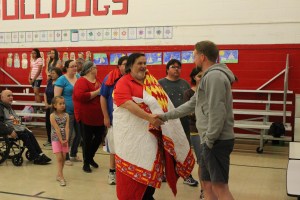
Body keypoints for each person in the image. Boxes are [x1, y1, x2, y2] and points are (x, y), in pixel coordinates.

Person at [159, 40, 236, 200]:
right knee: (207, 184)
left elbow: (217, 111)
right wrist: (164, 117)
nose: (193, 59)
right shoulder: (207, 77)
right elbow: (191, 104)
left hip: (216, 141)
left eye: (194, 56)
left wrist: (209, 140)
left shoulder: (214, 77)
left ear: (202, 57)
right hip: (208, 140)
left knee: (220, 187)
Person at [113, 53, 195, 200]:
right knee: (132, 182)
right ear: (130, 66)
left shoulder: (151, 83)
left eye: (145, 63)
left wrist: (159, 117)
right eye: (139, 63)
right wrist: (149, 117)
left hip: (151, 137)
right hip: (131, 140)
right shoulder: (123, 82)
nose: (143, 66)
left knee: (150, 171)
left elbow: (163, 105)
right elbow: (126, 103)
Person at [158, 59, 198, 186]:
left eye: (179, 67)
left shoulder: (185, 84)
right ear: (167, 69)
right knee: (165, 149)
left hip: (184, 123)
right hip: (166, 123)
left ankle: (187, 175)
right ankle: (163, 174)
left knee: (184, 148)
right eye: (173, 67)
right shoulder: (160, 84)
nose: (176, 69)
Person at [0, 90, 51, 165]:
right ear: (2, 97)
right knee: (24, 134)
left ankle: (40, 154)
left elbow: (13, 120)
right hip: (5, 129)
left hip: (13, 128)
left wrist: (22, 125)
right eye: (8, 96)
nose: (11, 97)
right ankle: (35, 156)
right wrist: (9, 131)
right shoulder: (1, 108)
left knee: (30, 133)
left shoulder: (8, 107)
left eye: (12, 95)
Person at [73, 61, 105, 173]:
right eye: (95, 68)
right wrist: (97, 92)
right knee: (87, 140)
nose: (97, 70)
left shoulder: (98, 81)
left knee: (99, 137)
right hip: (86, 116)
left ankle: (90, 157)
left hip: (98, 116)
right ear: (91, 69)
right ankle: (86, 163)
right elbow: (81, 96)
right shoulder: (81, 81)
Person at [100, 55, 128, 184]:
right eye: (125, 64)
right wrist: (106, 116)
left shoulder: (134, 79)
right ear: (119, 66)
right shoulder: (110, 78)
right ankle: (112, 172)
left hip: (129, 121)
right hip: (114, 119)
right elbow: (103, 97)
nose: (127, 67)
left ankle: (126, 173)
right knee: (114, 148)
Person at [54, 60, 81, 166]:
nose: (75, 68)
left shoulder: (78, 77)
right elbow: (56, 98)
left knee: (78, 134)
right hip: (67, 112)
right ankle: (66, 156)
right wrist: (60, 112)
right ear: (66, 68)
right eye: (72, 66)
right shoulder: (61, 80)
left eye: (76, 66)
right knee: (68, 135)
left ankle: (73, 154)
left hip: (78, 111)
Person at [184, 68, 205, 199]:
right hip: (196, 131)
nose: (201, 78)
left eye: (204, 75)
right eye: (199, 76)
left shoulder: (210, 91)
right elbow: (190, 114)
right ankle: (204, 190)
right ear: (193, 77)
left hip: (209, 132)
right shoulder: (188, 93)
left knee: (210, 162)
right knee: (202, 162)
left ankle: (211, 188)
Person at [50, 96, 69, 186]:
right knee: (59, 158)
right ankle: (61, 177)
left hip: (64, 139)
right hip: (56, 138)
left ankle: (59, 174)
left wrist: (66, 138)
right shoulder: (52, 116)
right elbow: (57, 128)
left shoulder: (66, 115)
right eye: (60, 104)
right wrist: (61, 140)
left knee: (64, 158)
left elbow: (67, 127)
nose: (62, 105)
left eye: (63, 103)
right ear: (55, 105)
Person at [43, 67, 63, 147]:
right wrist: (46, 103)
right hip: (48, 106)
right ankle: (49, 140)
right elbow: (45, 93)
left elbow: (58, 96)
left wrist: (52, 105)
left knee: (55, 124)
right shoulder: (49, 82)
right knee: (48, 123)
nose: (51, 74)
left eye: (53, 73)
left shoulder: (59, 83)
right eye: (51, 73)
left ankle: (57, 141)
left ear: (58, 74)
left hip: (55, 107)